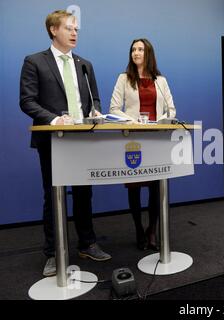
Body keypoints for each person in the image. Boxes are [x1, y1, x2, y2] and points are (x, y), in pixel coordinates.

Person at [19, 10, 111, 277]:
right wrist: (53, 119)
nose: (74, 33)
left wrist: (95, 110)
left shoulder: (85, 64)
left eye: (76, 29)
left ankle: (87, 243)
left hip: (82, 138)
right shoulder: (35, 61)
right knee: (53, 195)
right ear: (53, 30)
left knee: (84, 193)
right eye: (69, 28)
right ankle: (53, 253)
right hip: (53, 139)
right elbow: (27, 100)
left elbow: (94, 99)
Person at [110, 38, 176, 250]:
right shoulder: (124, 78)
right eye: (133, 50)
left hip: (155, 138)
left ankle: (152, 231)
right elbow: (113, 108)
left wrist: (161, 121)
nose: (136, 53)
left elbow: (171, 110)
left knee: (156, 187)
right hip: (134, 139)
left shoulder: (160, 80)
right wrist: (133, 120)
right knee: (135, 188)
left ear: (149, 53)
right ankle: (138, 229)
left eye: (140, 49)